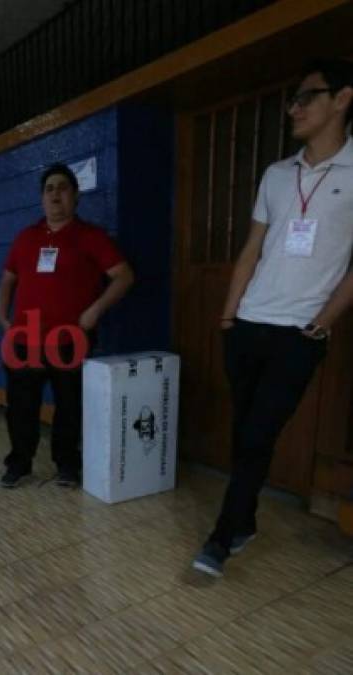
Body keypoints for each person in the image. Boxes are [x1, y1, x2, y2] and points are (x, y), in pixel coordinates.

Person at [193, 59, 353, 578]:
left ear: (343, 98)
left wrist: (321, 325)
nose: (295, 107)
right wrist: (227, 316)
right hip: (247, 327)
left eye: (307, 96)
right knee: (247, 434)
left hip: (298, 334)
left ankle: (220, 538)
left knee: (259, 434)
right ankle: (245, 523)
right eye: (293, 99)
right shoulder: (277, 175)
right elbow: (251, 248)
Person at [0, 164, 134, 489]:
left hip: (71, 339)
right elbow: (7, 279)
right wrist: (3, 317)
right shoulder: (26, 237)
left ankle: (67, 466)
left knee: (69, 406)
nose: (55, 194)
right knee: (20, 407)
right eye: (49, 189)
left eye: (62, 188)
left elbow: (124, 276)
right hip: (25, 338)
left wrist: (96, 310)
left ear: (75, 196)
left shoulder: (91, 237)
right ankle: (19, 463)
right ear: (42, 199)